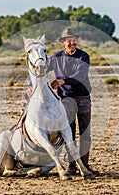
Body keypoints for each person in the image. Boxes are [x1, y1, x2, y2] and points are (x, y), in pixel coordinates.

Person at [46, 28, 99, 176]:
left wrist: (62, 81)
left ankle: (85, 165)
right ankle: (71, 166)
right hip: (66, 100)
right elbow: (41, 70)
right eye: (69, 40)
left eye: (74, 40)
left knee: (85, 132)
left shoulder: (83, 56)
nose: (72, 43)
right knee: (68, 133)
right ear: (63, 43)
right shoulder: (55, 57)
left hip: (83, 99)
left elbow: (80, 75)